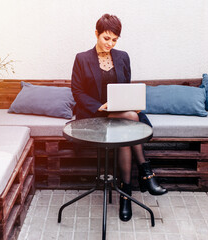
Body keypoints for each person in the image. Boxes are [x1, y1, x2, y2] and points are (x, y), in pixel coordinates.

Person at [71, 13, 167, 222]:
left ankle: (127, 193)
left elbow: (125, 87)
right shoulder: (82, 58)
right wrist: (99, 106)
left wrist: (127, 101)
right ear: (96, 34)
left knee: (128, 123)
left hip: (120, 113)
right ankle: (145, 175)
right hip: (93, 114)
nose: (110, 43)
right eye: (106, 38)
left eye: (115, 40)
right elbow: (77, 92)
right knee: (131, 120)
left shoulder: (122, 57)